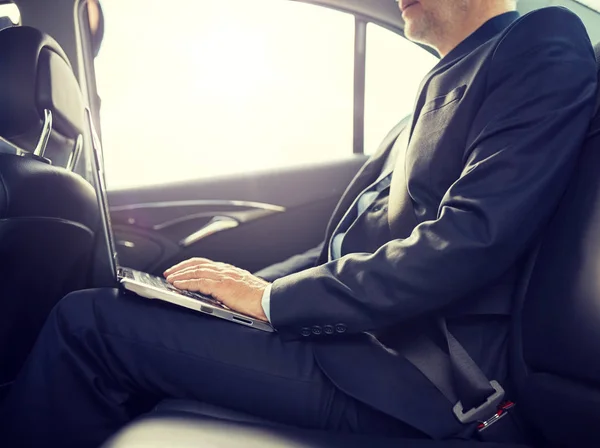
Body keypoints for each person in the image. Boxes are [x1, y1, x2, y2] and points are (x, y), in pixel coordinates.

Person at [1, 1, 597, 446]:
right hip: (359, 345)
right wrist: (236, 293)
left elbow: (470, 238)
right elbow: (333, 250)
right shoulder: (423, 99)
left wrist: (272, 302)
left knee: (87, 324)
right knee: (120, 311)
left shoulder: (541, 40)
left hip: (420, 376)